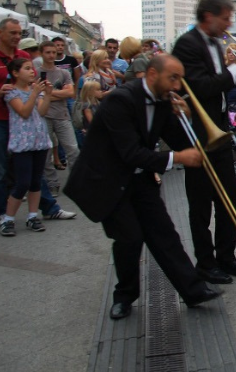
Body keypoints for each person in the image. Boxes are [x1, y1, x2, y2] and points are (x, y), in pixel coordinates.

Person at [63, 55, 221, 319]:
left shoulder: (162, 100)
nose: (177, 85)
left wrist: (186, 116)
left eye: (180, 79)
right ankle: (124, 297)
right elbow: (130, 153)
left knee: (164, 232)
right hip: (108, 180)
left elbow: (178, 140)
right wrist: (178, 158)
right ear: (152, 75)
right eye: (173, 78)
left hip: (139, 178)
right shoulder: (120, 100)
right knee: (129, 237)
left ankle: (193, 291)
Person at [172, 0, 236, 284]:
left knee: (229, 200)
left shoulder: (215, 43)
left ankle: (226, 256)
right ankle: (206, 264)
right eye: (225, 18)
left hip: (219, 130)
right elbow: (202, 87)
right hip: (198, 135)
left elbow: (219, 85)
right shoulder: (187, 44)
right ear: (208, 16)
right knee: (200, 205)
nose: (229, 24)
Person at [0, 58, 53, 236]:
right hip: (23, 143)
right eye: (27, 68)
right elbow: (24, 112)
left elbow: (42, 111)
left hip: (39, 141)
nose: (32, 71)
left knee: (36, 181)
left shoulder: (34, 90)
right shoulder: (11, 93)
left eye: (32, 68)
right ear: (15, 73)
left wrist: (47, 95)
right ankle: (8, 219)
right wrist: (34, 93)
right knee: (22, 183)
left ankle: (33, 216)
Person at [0, 19, 31, 224]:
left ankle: (44, 208)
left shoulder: (24, 56)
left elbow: (32, 83)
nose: (17, 37)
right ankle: (1, 212)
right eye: (12, 33)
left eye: (19, 33)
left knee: (28, 166)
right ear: (0, 33)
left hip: (22, 119)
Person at [38, 41, 80, 196]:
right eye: (48, 52)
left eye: (53, 52)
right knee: (46, 152)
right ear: (42, 53)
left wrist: (47, 94)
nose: (51, 55)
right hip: (43, 116)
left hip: (62, 115)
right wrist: (56, 94)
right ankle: (52, 183)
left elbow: (70, 92)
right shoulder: (37, 72)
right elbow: (34, 94)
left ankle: (76, 182)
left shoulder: (63, 73)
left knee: (73, 149)